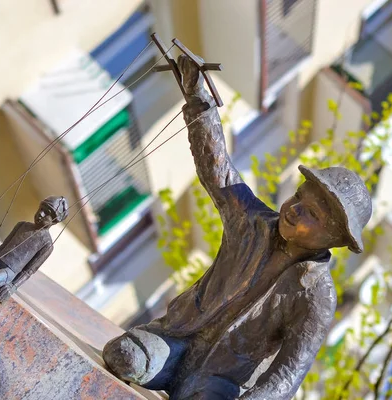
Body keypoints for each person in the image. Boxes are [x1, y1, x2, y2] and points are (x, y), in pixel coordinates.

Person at [102, 55, 372, 400]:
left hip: (219, 381)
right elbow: (218, 169)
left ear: (334, 238)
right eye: (299, 197)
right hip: (173, 341)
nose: (295, 210)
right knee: (125, 356)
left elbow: (289, 373)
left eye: (313, 215)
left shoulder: (317, 297)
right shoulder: (251, 222)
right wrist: (199, 101)